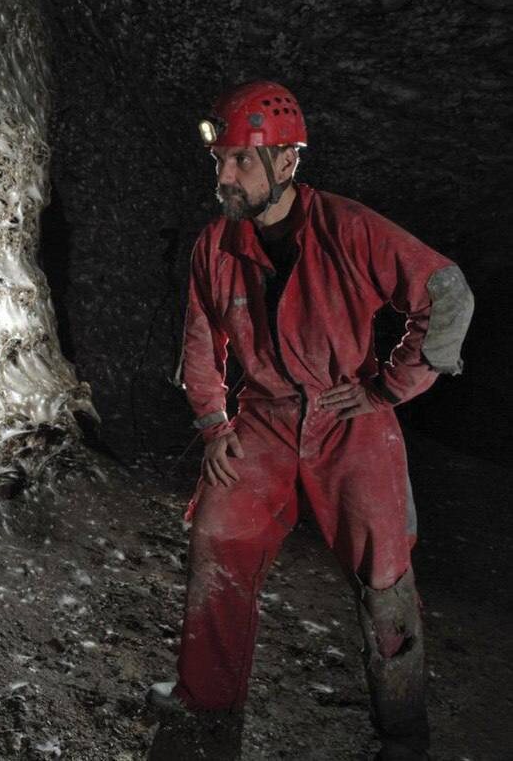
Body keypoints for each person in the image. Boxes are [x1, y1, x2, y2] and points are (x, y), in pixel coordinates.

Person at [147, 80, 475, 760]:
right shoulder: (216, 243)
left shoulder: (347, 227)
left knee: (384, 574)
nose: (225, 176)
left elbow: (444, 292)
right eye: (221, 160)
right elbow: (202, 339)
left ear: (288, 161)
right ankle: (204, 724)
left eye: (242, 160)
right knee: (218, 538)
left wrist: (390, 388)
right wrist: (213, 424)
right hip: (262, 418)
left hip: (347, 417)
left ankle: (403, 738)